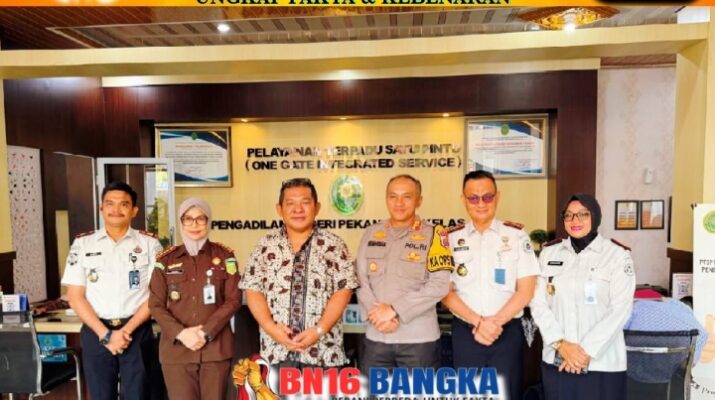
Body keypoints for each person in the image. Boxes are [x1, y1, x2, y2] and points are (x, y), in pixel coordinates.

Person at [441, 170, 539, 400]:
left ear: (498, 197)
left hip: (507, 333)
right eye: (473, 198)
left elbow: (526, 290)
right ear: (463, 200)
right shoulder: (449, 239)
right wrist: (479, 323)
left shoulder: (516, 236)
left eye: (487, 196)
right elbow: (444, 291)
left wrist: (494, 324)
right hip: (466, 333)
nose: (481, 203)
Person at [240, 178, 358, 367]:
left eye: (305, 202)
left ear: (317, 207)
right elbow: (252, 290)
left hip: (324, 353)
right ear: (279, 209)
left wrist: (319, 330)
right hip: (276, 352)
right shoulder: (265, 246)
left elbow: (344, 290)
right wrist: (271, 328)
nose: (298, 209)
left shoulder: (334, 245)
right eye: (290, 203)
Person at [62, 181, 163, 400]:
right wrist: (105, 334)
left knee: (139, 394)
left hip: (137, 331)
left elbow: (156, 295)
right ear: (101, 208)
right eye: (110, 203)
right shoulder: (83, 244)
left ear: (134, 210)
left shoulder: (150, 244)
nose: (116, 209)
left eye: (124, 204)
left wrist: (126, 331)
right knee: (101, 395)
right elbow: (75, 296)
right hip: (96, 332)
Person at [530, 193, 636, 400]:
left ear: (595, 216)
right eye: (569, 215)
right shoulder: (549, 253)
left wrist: (584, 352)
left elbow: (620, 310)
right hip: (557, 360)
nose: (575, 220)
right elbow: (538, 303)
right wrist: (561, 345)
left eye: (583, 214)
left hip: (602, 363)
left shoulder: (616, 255)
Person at [356, 174, 451, 371]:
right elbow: (360, 279)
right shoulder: (372, 233)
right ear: (386, 199)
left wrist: (394, 310)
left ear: (419, 200)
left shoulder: (436, 234)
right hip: (377, 338)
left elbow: (440, 284)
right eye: (393, 196)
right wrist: (378, 317)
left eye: (407, 197)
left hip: (419, 342)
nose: (399, 203)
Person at [148, 198, 241, 399]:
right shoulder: (166, 260)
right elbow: (155, 304)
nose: (194, 224)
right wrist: (181, 333)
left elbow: (234, 299)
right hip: (177, 350)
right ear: (181, 222)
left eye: (200, 218)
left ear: (208, 221)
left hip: (215, 350)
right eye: (188, 219)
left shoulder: (225, 256)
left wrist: (206, 332)